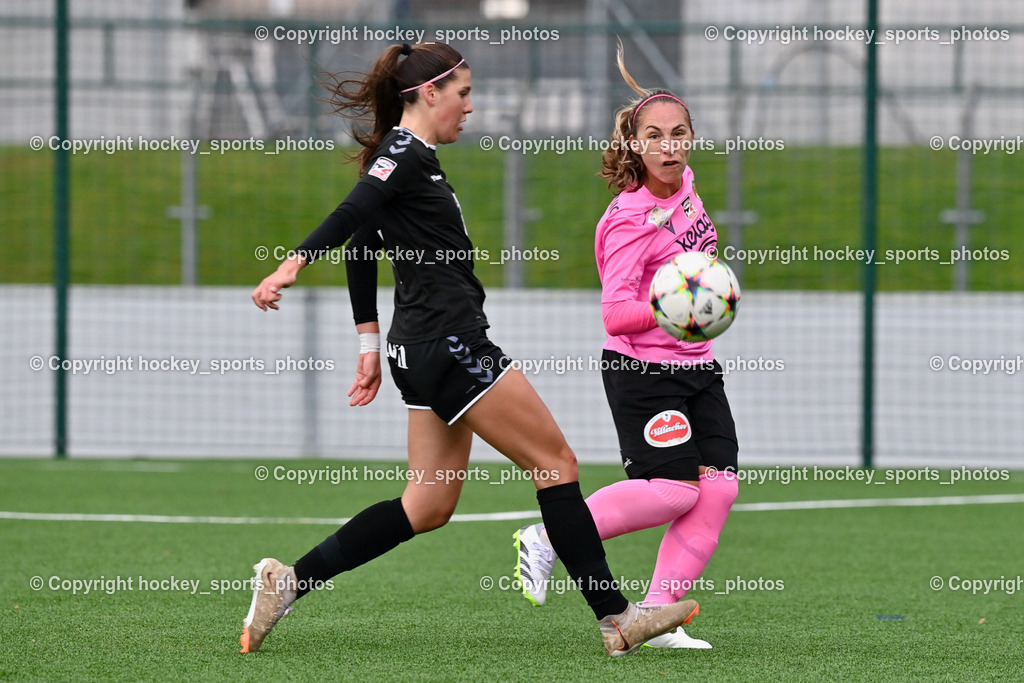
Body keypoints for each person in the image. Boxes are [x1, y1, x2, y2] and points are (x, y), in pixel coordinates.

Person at [244, 41, 699, 657]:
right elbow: (351, 216)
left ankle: (287, 582)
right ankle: (618, 619)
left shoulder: (408, 159)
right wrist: (293, 263)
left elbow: (364, 242)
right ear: (428, 93)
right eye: (462, 93)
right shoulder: (403, 154)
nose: (471, 105)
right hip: (451, 344)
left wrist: (368, 344)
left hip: (417, 349)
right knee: (557, 465)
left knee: (426, 504)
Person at [512, 44, 740, 650]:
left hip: (698, 368)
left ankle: (656, 618)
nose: (670, 146)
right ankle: (550, 535)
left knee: (718, 488)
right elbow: (615, 315)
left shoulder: (687, 184)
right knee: (674, 490)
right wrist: (677, 308)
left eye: (680, 134)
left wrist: (708, 294)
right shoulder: (628, 221)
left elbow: (695, 263)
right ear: (636, 145)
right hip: (644, 373)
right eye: (656, 136)